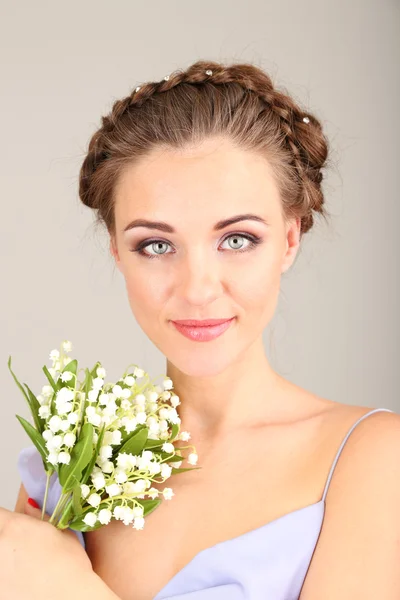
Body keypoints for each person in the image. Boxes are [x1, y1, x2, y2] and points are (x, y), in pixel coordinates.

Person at [13, 59, 400, 599]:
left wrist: (62, 584)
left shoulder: (373, 460)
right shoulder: (74, 464)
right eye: (156, 245)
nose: (197, 288)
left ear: (290, 240)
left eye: (237, 239)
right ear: (117, 251)